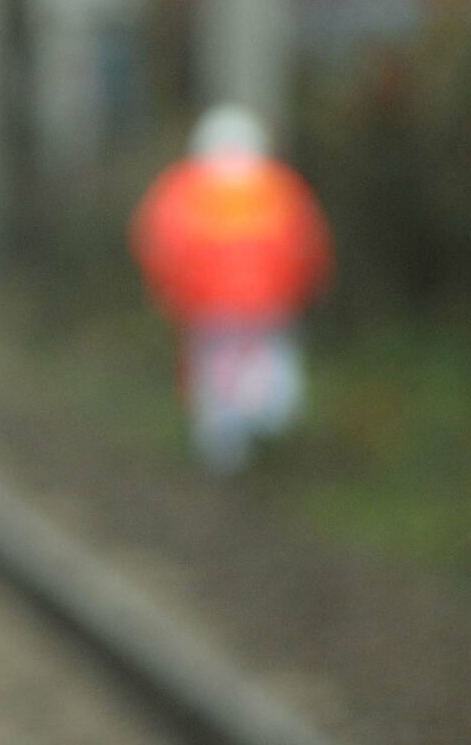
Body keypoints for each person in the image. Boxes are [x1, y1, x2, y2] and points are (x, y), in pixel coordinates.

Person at [128, 105, 333, 473]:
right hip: (271, 303)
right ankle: (268, 426)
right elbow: (309, 244)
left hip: (208, 306)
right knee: (267, 360)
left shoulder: (183, 189)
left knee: (214, 372)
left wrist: (168, 295)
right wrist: (302, 290)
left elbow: (158, 245)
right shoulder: (279, 186)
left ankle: (225, 447)